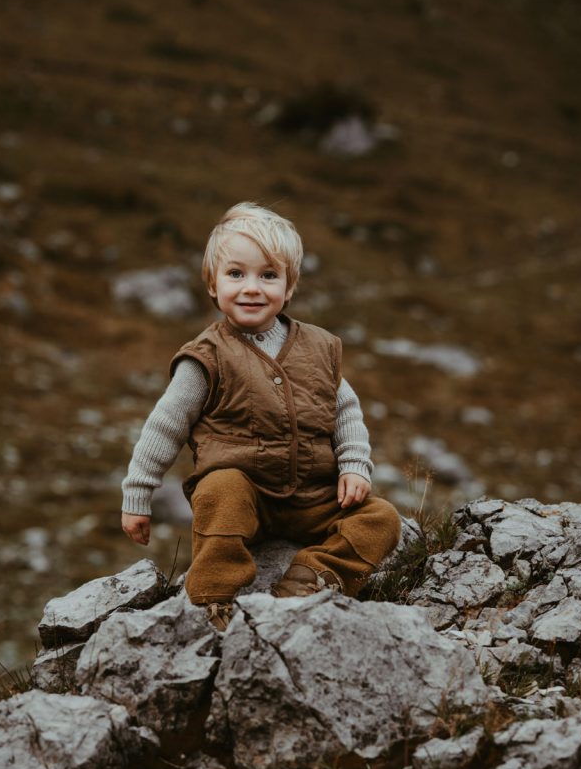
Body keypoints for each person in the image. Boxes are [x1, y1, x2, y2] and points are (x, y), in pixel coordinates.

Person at [121, 202, 401, 630]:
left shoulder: (318, 348)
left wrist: (355, 466)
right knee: (220, 489)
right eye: (236, 274)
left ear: (289, 287)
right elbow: (165, 425)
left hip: (311, 498)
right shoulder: (207, 357)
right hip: (244, 494)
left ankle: (312, 577)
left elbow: (345, 410)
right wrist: (137, 496)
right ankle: (214, 597)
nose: (252, 287)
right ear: (212, 285)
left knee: (380, 519)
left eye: (268, 275)